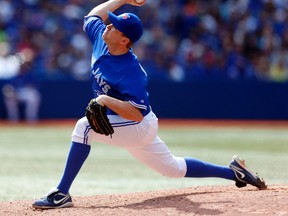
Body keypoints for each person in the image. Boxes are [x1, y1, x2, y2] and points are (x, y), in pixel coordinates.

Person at [32, 0, 266, 209]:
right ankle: (234, 172)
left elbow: (136, 114)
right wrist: (123, 0)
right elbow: (92, 16)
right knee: (172, 169)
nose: (108, 26)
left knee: (84, 127)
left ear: (125, 41)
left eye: (114, 26)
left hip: (137, 124)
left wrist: (104, 100)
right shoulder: (101, 39)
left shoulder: (132, 73)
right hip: (128, 123)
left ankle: (61, 193)